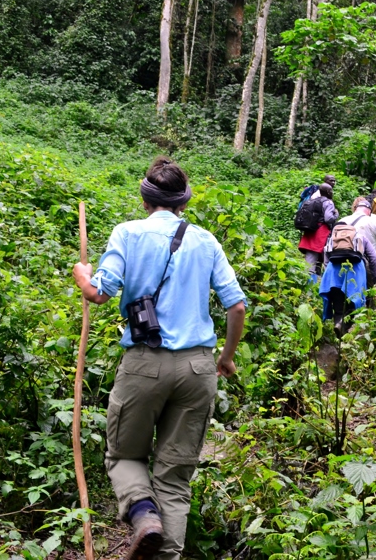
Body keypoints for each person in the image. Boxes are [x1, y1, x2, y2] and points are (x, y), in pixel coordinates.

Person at [71, 157, 246, 560]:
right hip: (199, 368)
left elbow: (100, 291)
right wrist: (227, 357)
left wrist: (83, 275)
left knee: (125, 455)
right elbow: (235, 307)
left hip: (145, 363)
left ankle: (144, 514)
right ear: (183, 202)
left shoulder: (128, 234)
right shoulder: (206, 241)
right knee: (174, 478)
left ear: (144, 197)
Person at [320, 215, 376, 332]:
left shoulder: (332, 239)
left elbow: (326, 263)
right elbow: (374, 260)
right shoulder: (360, 237)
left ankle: (339, 332)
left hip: (333, 275)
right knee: (353, 305)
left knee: (338, 307)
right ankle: (346, 330)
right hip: (355, 274)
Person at [298, 184, 339, 281]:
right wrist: (336, 214)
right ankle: (327, 284)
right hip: (321, 233)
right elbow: (328, 218)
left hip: (310, 232)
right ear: (329, 192)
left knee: (309, 262)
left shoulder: (312, 200)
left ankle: (308, 284)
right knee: (326, 259)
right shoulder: (328, 202)